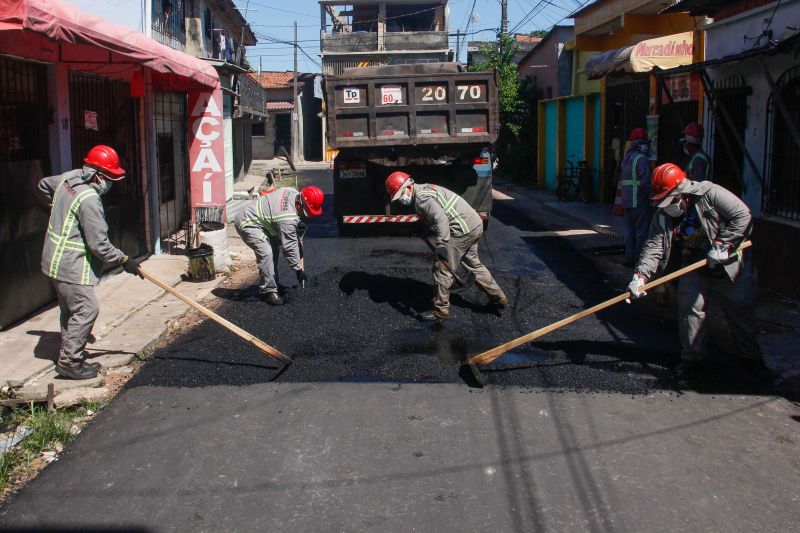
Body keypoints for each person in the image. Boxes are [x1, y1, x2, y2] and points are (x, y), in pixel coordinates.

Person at [627, 163, 771, 380]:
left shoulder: (710, 194)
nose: (666, 205)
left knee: (739, 311)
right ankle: (693, 359)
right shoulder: (663, 215)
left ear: (682, 192)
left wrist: (724, 244)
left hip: (728, 265)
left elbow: (743, 216)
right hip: (693, 265)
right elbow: (654, 246)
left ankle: (751, 359)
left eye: (669, 199)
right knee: (690, 311)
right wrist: (640, 276)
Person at [39, 145, 143, 380]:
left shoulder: (68, 179)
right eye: (109, 178)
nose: (110, 184)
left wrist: (57, 210)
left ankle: (70, 353)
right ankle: (70, 363)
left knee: (71, 310)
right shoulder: (89, 200)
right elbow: (99, 245)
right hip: (69, 263)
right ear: (97, 175)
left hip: (53, 261)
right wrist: (125, 260)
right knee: (87, 309)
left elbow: (43, 185)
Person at [385, 171, 507, 321]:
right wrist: (421, 226)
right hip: (474, 224)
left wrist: (442, 245)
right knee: (474, 264)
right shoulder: (425, 188)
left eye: (400, 194)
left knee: (442, 269)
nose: (401, 199)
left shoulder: (422, 199)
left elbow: (441, 220)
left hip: (462, 230)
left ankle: (440, 310)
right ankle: (499, 298)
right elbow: (436, 212)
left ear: (408, 187)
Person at [234, 186, 324, 305]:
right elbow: (289, 247)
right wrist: (298, 270)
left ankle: (273, 283)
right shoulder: (287, 218)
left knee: (274, 248)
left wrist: (298, 233)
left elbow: (291, 234)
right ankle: (268, 291)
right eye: (305, 211)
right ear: (298, 204)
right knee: (266, 252)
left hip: (264, 222)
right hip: (247, 222)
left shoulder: (293, 192)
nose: (305, 215)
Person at [620, 127, 653, 267]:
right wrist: (653, 196)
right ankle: (639, 261)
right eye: (645, 142)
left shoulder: (626, 158)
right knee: (641, 233)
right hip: (639, 202)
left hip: (626, 202)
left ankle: (629, 258)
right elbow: (646, 182)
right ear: (640, 143)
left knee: (629, 232)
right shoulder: (642, 159)